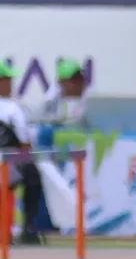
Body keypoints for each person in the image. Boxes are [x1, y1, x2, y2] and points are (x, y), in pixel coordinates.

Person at [0, 60, 45, 244]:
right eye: (8, 80)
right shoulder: (12, 108)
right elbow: (25, 143)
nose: (11, 84)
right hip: (8, 160)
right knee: (33, 177)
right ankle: (28, 228)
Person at [42, 57, 89, 129]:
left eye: (80, 77)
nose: (79, 82)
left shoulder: (91, 101)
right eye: (74, 79)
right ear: (61, 82)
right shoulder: (53, 104)